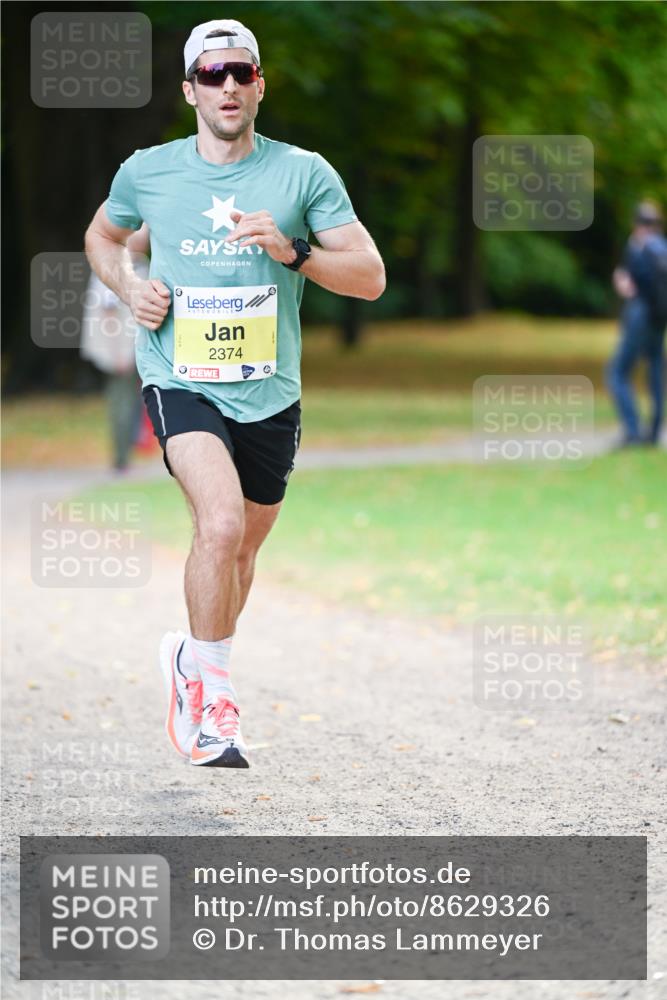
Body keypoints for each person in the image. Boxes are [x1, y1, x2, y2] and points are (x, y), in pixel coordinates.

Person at [84, 18, 385, 768]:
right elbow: (102, 237)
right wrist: (130, 289)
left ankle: (192, 660)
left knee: (242, 549)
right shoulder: (148, 171)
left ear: (259, 84)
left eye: (240, 73)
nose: (227, 85)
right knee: (217, 526)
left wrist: (292, 250)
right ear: (189, 89)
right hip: (179, 375)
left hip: (270, 391)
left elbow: (370, 277)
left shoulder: (303, 174)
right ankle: (213, 702)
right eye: (211, 74)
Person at [81, 226, 150, 471]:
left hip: (130, 350)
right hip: (119, 351)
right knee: (121, 402)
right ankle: (121, 458)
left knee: (128, 400)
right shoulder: (116, 270)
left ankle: (125, 454)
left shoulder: (134, 266)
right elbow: (109, 316)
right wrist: (118, 354)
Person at [607, 201, 667, 448]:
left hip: (641, 314)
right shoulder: (663, 247)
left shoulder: (642, 247)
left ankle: (632, 430)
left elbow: (634, 284)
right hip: (660, 318)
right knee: (655, 369)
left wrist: (625, 283)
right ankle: (653, 432)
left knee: (618, 371)